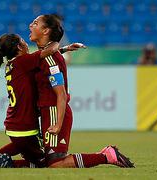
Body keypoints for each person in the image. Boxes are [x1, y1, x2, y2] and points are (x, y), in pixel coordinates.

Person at [28, 14, 134, 168]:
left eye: (35, 23)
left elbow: (61, 95)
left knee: (54, 163)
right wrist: (65, 48)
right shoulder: (47, 55)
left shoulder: (50, 60)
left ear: (45, 31)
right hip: (49, 112)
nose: (30, 26)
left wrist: (57, 124)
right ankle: (6, 164)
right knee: (46, 160)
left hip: (54, 112)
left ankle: (106, 156)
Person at [0, 34, 84, 168]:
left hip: (13, 124)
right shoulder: (24, 62)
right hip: (25, 126)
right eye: (23, 41)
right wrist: (56, 42)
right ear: (20, 47)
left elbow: (43, 57)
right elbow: (49, 51)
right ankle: (6, 163)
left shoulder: (14, 64)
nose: (27, 44)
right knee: (48, 162)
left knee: (22, 145)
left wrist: (65, 49)